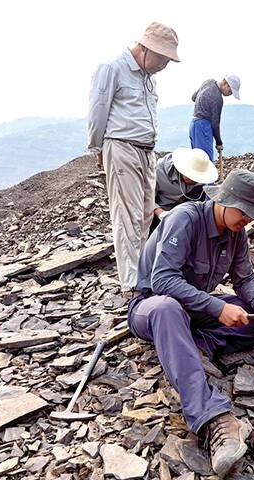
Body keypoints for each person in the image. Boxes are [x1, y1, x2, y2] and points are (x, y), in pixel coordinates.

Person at [128, 169, 254, 476]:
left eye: (253, 216)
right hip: (151, 307)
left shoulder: (236, 234)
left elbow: (245, 278)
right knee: (169, 309)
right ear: (225, 200)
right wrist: (216, 306)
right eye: (244, 213)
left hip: (194, 310)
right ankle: (211, 417)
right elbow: (162, 280)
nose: (247, 221)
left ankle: (193, 347)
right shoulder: (184, 218)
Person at [87, 22, 180, 296]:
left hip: (147, 151)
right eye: (162, 58)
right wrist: (98, 150)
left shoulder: (148, 77)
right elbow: (97, 110)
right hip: (121, 147)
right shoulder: (113, 68)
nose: (164, 64)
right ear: (145, 48)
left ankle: (143, 272)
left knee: (144, 215)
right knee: (126, 217)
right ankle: (131, 284)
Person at [152, 148, 217, 229]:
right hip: (159, 212)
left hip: (183, 213)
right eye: (192, 177)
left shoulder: (200, 181)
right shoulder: (159, 171)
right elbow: (146, 199)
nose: (196, 181)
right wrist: (160, 213)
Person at [190, 75, 241, 162]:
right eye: (231, 91)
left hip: (194, 124)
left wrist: (203, 102)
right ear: (225, 83)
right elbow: (215, 124)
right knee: (205, 161)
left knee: (196, 160)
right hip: (204, 127)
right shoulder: (217, 98)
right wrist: (219, 142)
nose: (230, 94)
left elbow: (194, 97)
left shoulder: (209, 81)